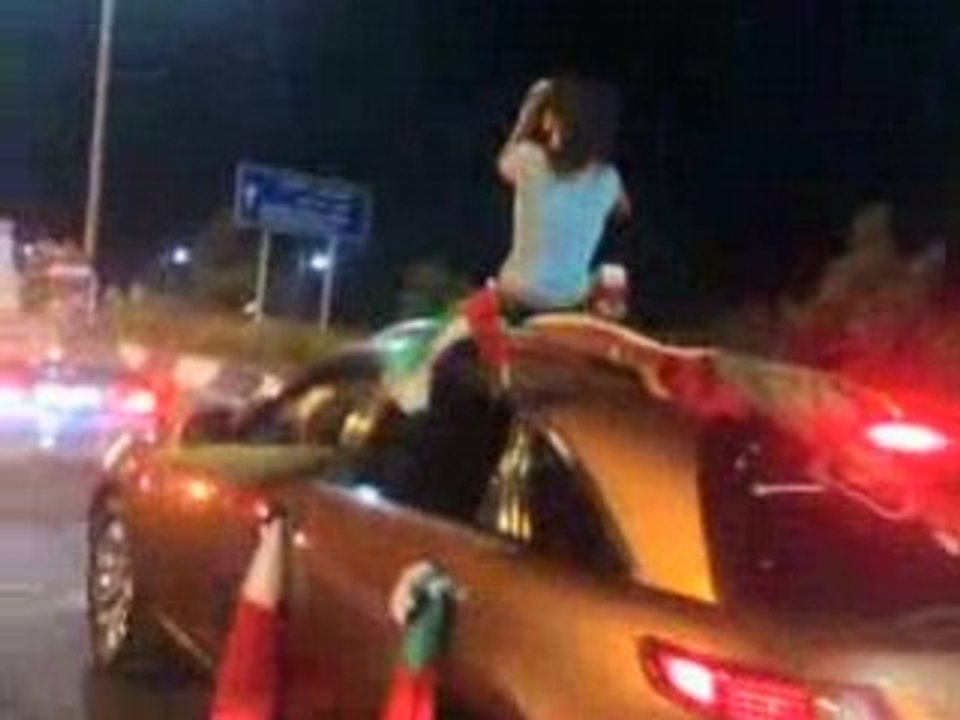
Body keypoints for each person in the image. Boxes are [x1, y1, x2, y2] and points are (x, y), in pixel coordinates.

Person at [496, 76, 631, 317]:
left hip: (515, 295)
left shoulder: (528, 159)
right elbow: (623, 210)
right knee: (613, 274)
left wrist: (530, 111)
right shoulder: (608, 178)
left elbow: (503, 162)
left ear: (551, 121)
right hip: (568, 301)